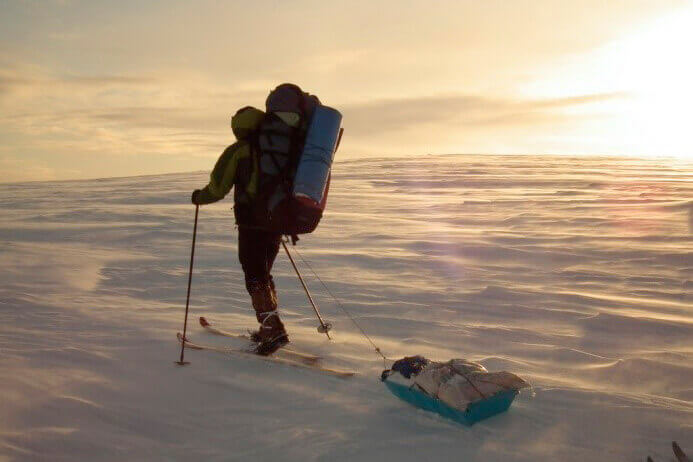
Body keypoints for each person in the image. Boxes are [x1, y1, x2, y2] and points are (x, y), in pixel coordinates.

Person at [190, 105, 288, 356]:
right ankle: (272, 326)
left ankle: (272, 330)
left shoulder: (238, 152)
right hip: (277, 222)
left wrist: (199, 197)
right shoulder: (280, 149)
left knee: (254, 274)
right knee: (263, 272)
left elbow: (218, 187)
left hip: (251, 224)